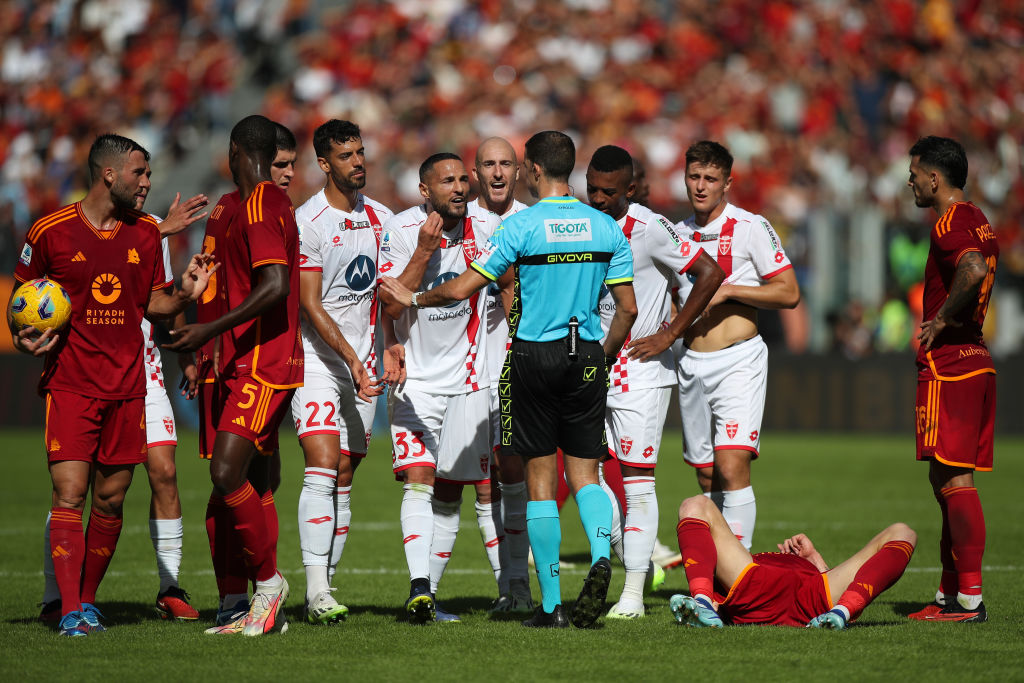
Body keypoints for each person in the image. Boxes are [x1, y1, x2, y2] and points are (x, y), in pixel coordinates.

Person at [380, 131, 638, 629]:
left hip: (533, 356)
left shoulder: (520, 227)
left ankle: (551, 605)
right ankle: (603, 554)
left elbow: (462, 287)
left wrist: (414, 300)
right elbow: (626, 309)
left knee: (539, 482)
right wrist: (599, 359)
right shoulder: (606, 227)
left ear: (533, 171)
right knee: (585, 475)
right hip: (584, 353)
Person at [11, 133, 215, 637]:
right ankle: (67, 610)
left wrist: (188, 292)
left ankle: (84, 600)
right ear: (109, 175)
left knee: (111, 498)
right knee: (70, 495)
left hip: (129, 385)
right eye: (140, 174)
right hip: (72, 383)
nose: (147, 183)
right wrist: (24, 338)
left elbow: (154, 305)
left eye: (148, 174)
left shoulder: (147, 233)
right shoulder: (50, 230)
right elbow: (22, 300)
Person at [166, 114, 303, 637]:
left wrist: (209, 332)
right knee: (234, 484)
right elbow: (211, 282)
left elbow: (274, 286)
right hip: (225, 361)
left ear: (234, 150)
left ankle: (268, 587)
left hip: (266, 362)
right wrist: (197, 340)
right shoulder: (226, 207)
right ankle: (234, 604)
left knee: (229, 474)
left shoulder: (266, 202)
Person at [585, 145, 724, 619]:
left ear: (629, 189)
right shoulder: (583, 225)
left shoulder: (649, 227)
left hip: (641, 369)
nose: (598, 199)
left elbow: (710, 272)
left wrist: (670, 333)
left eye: (608, 192)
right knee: (590, 474)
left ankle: (632, 596)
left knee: (638, 482)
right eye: (592, 190)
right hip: (593, 365)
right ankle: (632, 560)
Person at [376, 152, 497, 624]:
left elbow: (505, 284)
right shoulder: (403, 230)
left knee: (465, 490)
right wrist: (424, 252)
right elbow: (389, 303)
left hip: (469, 381)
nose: (460, 187)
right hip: (415, 379)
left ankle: (502, 591)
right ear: (426, 191)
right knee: (420, 479)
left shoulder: (485, 231)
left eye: (463, 179)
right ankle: (419, 589)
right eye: (447, 181)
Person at [673, 140, 800, 551]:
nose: (701, 186)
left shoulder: (751, 227)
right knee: (707, 475)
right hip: (691, 361)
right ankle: (718, 571)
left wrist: (729, 292)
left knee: (731, 465)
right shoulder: (676, 234)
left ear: (728, 183)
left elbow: (788, 291)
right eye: (694, 176)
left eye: (711, 178)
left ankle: (739, 575)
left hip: (738, 359)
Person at [292, 119, 392, 624]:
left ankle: (325, 584)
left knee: (347, 472)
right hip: (317, 360)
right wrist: (350, 359)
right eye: (347, 155)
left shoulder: (382, 218)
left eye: (361, 151)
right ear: (324, 163)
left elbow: (388, 295)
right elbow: (310, 303)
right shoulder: (307, 222)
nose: (359, 162)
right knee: (323, 461)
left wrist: (387, 348)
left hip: (366, 362)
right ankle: (314, 589)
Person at [905, 136, 998, 623]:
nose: (910, 180)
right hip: (976, 358)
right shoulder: (977, 217)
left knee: (954, 479)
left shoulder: (948, 223)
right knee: (944, 477)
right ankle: (949, 594)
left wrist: (940, 320)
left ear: (935, 178)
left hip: (952, 365)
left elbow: (973, 268)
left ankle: (970, 600)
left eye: (915, 172)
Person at [669, 494, 917, 629]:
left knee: (903, 532)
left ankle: (840, 614)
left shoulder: (738, 562)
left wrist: (817, 561)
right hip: (758, 587)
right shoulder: (735, 563)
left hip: (813, 594)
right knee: (695, 503)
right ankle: (701, 604)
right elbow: (706, 561)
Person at [466, 137, 533, 613]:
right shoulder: (459, 220)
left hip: (517, 363)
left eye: (505, 163)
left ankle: (517, 586)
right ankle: (507, 587)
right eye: (488, 163)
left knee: (516, 473)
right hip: (464, 369)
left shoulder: (534, 220)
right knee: (476, 482)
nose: (496, 172)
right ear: (475, 172)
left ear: (519, 170)